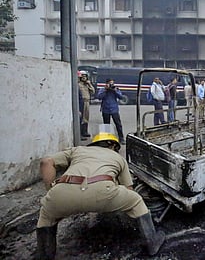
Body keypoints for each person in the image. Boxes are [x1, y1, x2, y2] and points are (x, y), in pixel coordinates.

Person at [35, 128, 165, 259]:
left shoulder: (78, 150)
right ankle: (152, 243)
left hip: (63, 191)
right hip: (102, 190)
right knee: (136, 200)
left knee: (46, 215)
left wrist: (51, 191)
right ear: (113, 145)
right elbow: (129, 189)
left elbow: (46, 162)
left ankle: (45, 255)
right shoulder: (118, 157)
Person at [97, 79, 125, 144]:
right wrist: (106, 90)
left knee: (118, 124)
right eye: (110, 84)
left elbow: (121, 97)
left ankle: (121, 138)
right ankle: (107, 139)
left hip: (114, 109)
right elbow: (99, 97)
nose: (111, 85)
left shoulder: (115, 89)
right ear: (106, 84)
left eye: (112, 84)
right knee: (106, 125)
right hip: (105, 109)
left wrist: (115, 91)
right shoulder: (102, 89)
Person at [78, 70, 95, 139]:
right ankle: (80, 132)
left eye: (85, 76)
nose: (84, 78)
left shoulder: (87, 84)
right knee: (81, 117)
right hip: (82, 102)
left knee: (86, 117)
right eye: (83, 76)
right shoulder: (79, 84)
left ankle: (85, 131)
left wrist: (89, 84)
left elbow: (93, 92)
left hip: (87, 102)